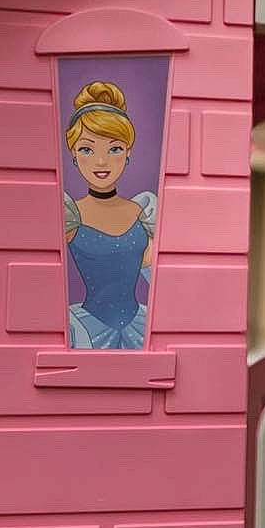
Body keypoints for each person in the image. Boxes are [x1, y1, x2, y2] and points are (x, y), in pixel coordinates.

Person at [61, 80, 159, 350]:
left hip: (139, 330)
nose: (101, 161)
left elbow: (162, 281)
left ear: (128, 153)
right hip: (87, 334)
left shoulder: (143, 213)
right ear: (73, 154)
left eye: (114, 148)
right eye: (87, 149)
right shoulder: (70, 215)